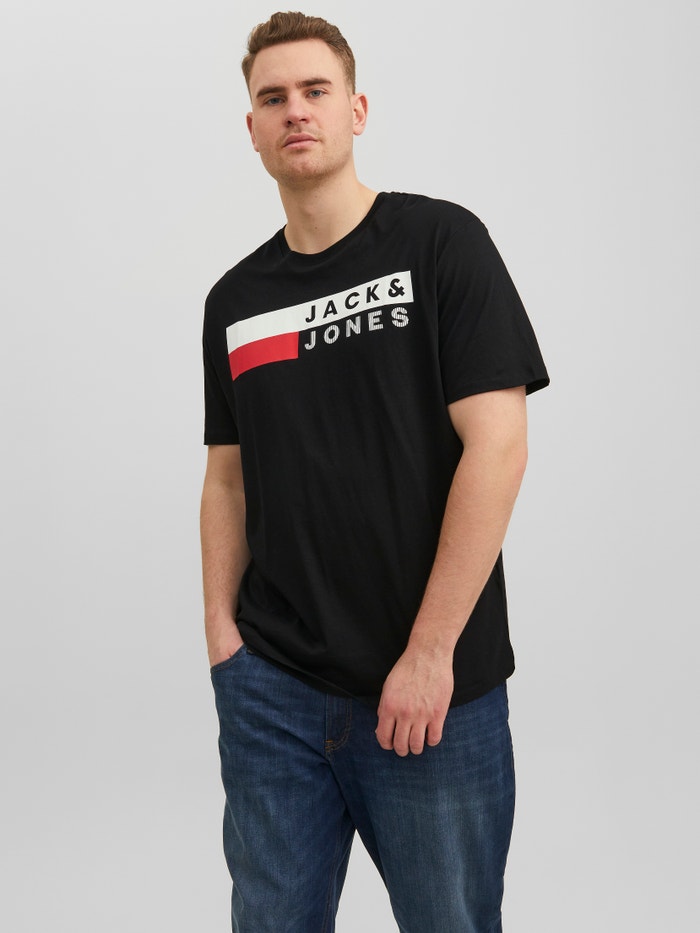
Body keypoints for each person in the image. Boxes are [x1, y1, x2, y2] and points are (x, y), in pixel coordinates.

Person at [200, 11, 549, 933]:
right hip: (274, 690)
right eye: (273, 97)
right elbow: (228, 478)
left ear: (356, 110)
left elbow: (499, 446)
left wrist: (429, 654)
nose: (295, 110)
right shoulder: (235, 303)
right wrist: (224, 645)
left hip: (432, 693)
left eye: (315, 90)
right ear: (252, 129)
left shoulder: (440, 245)